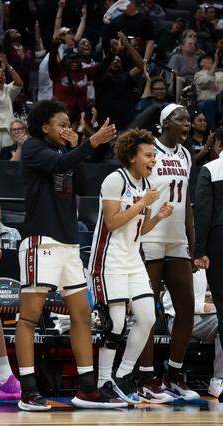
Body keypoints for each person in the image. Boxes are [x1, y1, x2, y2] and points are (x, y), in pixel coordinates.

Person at [16, 100, 123, 411]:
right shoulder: (33, 148)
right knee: (28, 318)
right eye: (61, 124)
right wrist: (89, 143)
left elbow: (85, 184)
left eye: (69, 124)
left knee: (81, 317)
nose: (66, 129)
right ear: (45, 126)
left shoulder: (65, 153)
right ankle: (28, 389)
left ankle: (87, 388)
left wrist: (82, 147)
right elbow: (57, 166)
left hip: (69, 246)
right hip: (42, 242)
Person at [91, 129, 173, 404]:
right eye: (148, 155)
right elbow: (112, 223)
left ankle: (123, 375)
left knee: (148, 317)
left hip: (133, 258)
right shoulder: (115, 180)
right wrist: (143, 204)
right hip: (109, 257)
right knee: (114, 323)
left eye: (154, 156)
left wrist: (157, 216)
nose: (153, 161)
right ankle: (103, 381)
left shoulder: (146, 187)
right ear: (132, 156)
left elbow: (139, 229)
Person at [134, 103, 199, 403]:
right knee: (147, 312)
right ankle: (146, 376)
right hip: (150, 235)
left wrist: (192, 240)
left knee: (186, 307)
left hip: (177, 239)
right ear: (165, 123)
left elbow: (185, 201)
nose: (187, 124)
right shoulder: (149, 151)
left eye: (188, 119)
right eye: (181, 119)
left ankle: (174, 373)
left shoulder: (186, 155)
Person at [194, 134, 223, 402]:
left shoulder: (210, 170)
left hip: (218, 244)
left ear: (217, 145)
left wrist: (199, 250)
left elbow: (202, 211)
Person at [163, 270, 223, 399]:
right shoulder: (183, 265)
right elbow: (184, 306)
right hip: (178, 320)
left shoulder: (209, 266)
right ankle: (218, 380)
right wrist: (217, 306)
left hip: (202, 317)